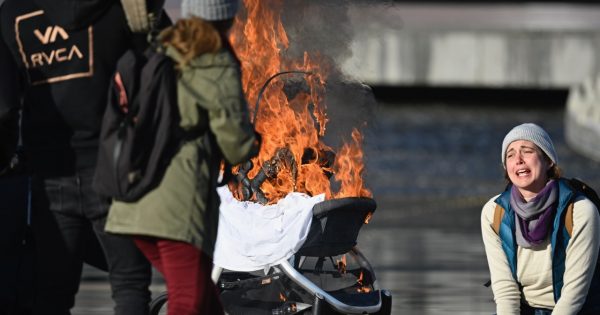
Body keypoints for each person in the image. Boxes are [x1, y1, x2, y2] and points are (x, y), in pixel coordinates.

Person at [0, 0, 160, 314]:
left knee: (51, 295)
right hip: (115, 166)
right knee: (129, 287)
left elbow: (4, 106)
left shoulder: (11, 15)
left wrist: (6, 160)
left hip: (49, 174)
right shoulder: (120, 7)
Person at [104, 0, 261, 314]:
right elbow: (236, 146)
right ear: (227, 16)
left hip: (132, 205)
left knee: (205, 301)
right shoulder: (215, 62)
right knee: (188, 304)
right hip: (177, 208)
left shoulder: (161, 46)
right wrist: (254, 141)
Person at [481, 123, 600, 314]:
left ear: (548, 161)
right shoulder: (494, 212)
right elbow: (505, 290)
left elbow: (574, 295)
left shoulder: (579, 210)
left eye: (527, 151)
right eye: (510, 155)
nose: (518, 159)